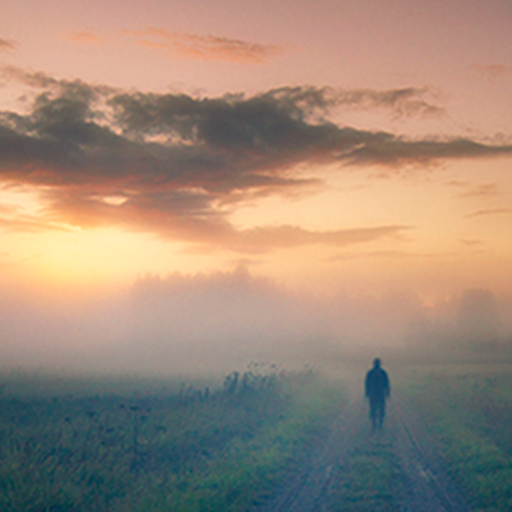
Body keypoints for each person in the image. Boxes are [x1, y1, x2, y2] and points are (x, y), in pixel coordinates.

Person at [365, 358, 390, 431]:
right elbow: (386, 383)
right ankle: (380, 423)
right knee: (381, 408)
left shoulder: (370, 373)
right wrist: (387, 391)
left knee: (373, 408)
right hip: (381, 393)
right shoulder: (383, 372)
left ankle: (374, 424)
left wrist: (367, 392)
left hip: (373, 393)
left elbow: (367, 383)